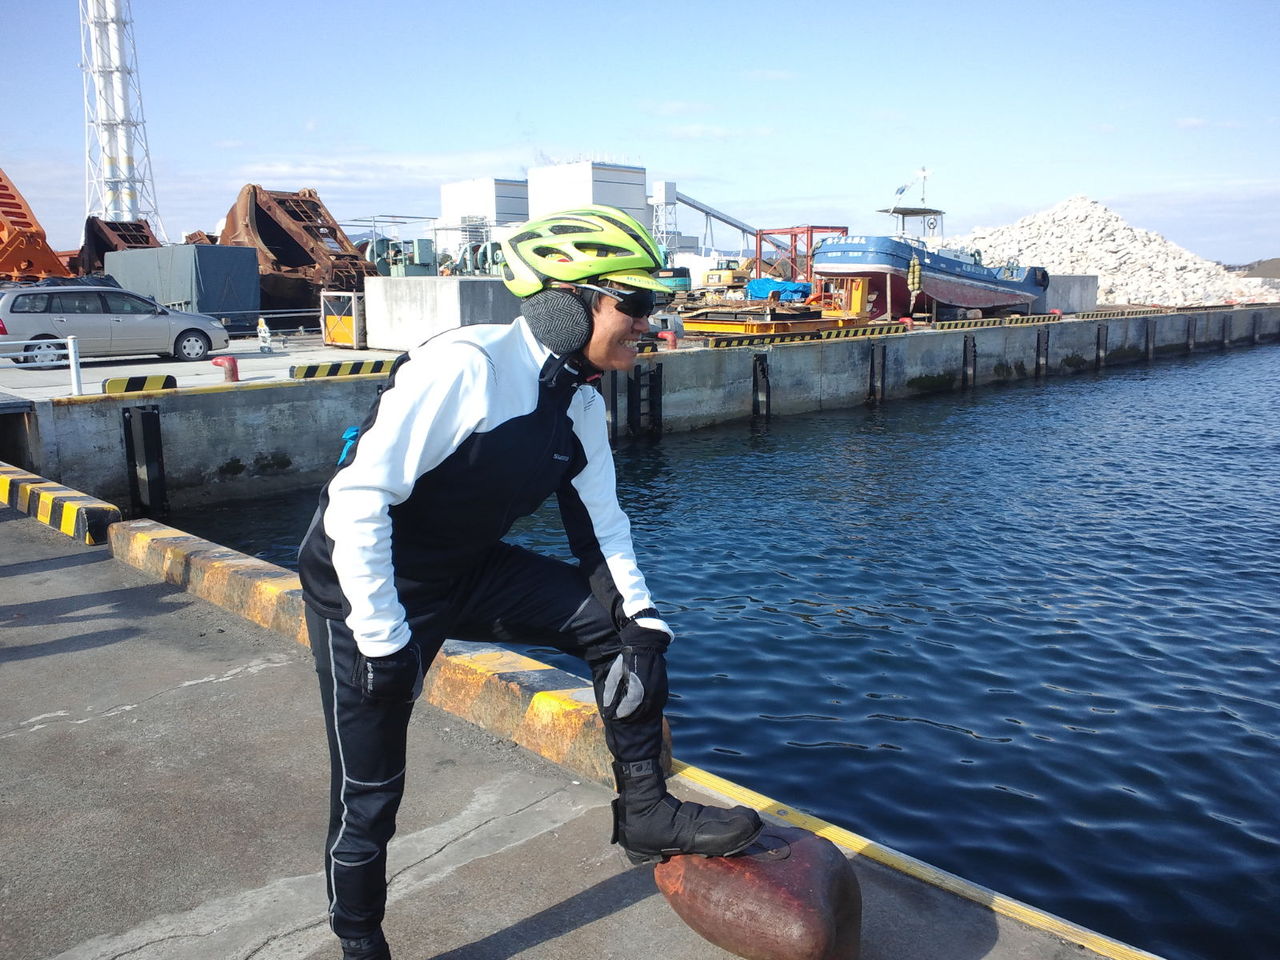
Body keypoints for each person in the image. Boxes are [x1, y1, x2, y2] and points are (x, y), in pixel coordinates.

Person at [297, 205, 763, 960]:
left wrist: (643, 622)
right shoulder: (468, 370)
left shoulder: (579, 400)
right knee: (371, 790)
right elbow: (358, 499)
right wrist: (381, 640)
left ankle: (645, 811)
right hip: (368, 584)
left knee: (620, 630)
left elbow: (603, 527)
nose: (650, 321)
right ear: (567, 303)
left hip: (466, 567)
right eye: (635, 302)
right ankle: (359, 942)